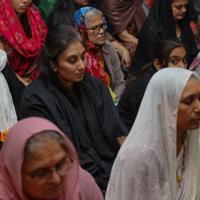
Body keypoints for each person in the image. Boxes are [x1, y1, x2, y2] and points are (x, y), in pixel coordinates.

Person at [20, 25, 128, 193]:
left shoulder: (96, 86)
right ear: (53, 63)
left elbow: (119, 132)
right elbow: (56, 155)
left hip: (113, 169)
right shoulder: (36, 98)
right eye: (72, 60)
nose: (81, 66)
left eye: (83, 57)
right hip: (72, 179)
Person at [105, 67, 200, 200]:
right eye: (188, 101)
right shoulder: (138, 156)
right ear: (162, 107)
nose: (198, 107)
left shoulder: (192, 139)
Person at [0, 117, 104, 200]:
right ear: (13, 173)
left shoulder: (82, 184)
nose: (56, 180)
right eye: (41, 173)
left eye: (61, 165)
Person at [118, 38, 188, 132]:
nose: (182, 66)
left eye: (184, 60)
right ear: (158, 64)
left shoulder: (174, 81)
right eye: (174, 61)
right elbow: (143, 127)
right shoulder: (147, 85)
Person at [131, 0, 199, 76]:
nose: (184, 10)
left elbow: (193, 54)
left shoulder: (183, 26)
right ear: (167, 7)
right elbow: (153, 64)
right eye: (178, 7)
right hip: (153, 77)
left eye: (186, 6)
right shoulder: (151, 30)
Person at [73, 7, 126, 102]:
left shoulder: (108, 47)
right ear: (82, 30)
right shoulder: (78, 55)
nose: (101, 31)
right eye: (95, 28)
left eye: (102, 26)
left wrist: (112, 104)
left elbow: (119, 82)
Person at [0, 0, 48, 83]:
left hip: (40, 77)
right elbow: (5, 69)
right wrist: (28, 87)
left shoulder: (35, 19)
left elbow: (48, 52)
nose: (25, 1)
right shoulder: (2, 27)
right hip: (12, 84)